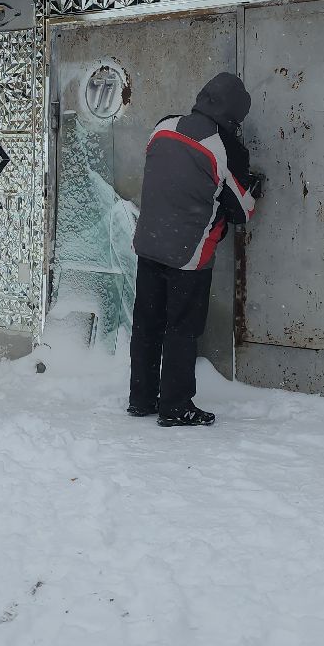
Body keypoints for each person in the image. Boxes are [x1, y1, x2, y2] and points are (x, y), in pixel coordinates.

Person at [127, 72, 260, 427]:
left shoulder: (164, 126)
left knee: (146, 324)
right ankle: (175, 405)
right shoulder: (225, 147)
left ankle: (140, 398)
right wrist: (251, 188)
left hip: (149, 243)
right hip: (188, 255)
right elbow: (242, 209)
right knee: (181, 329)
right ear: (234, 115)